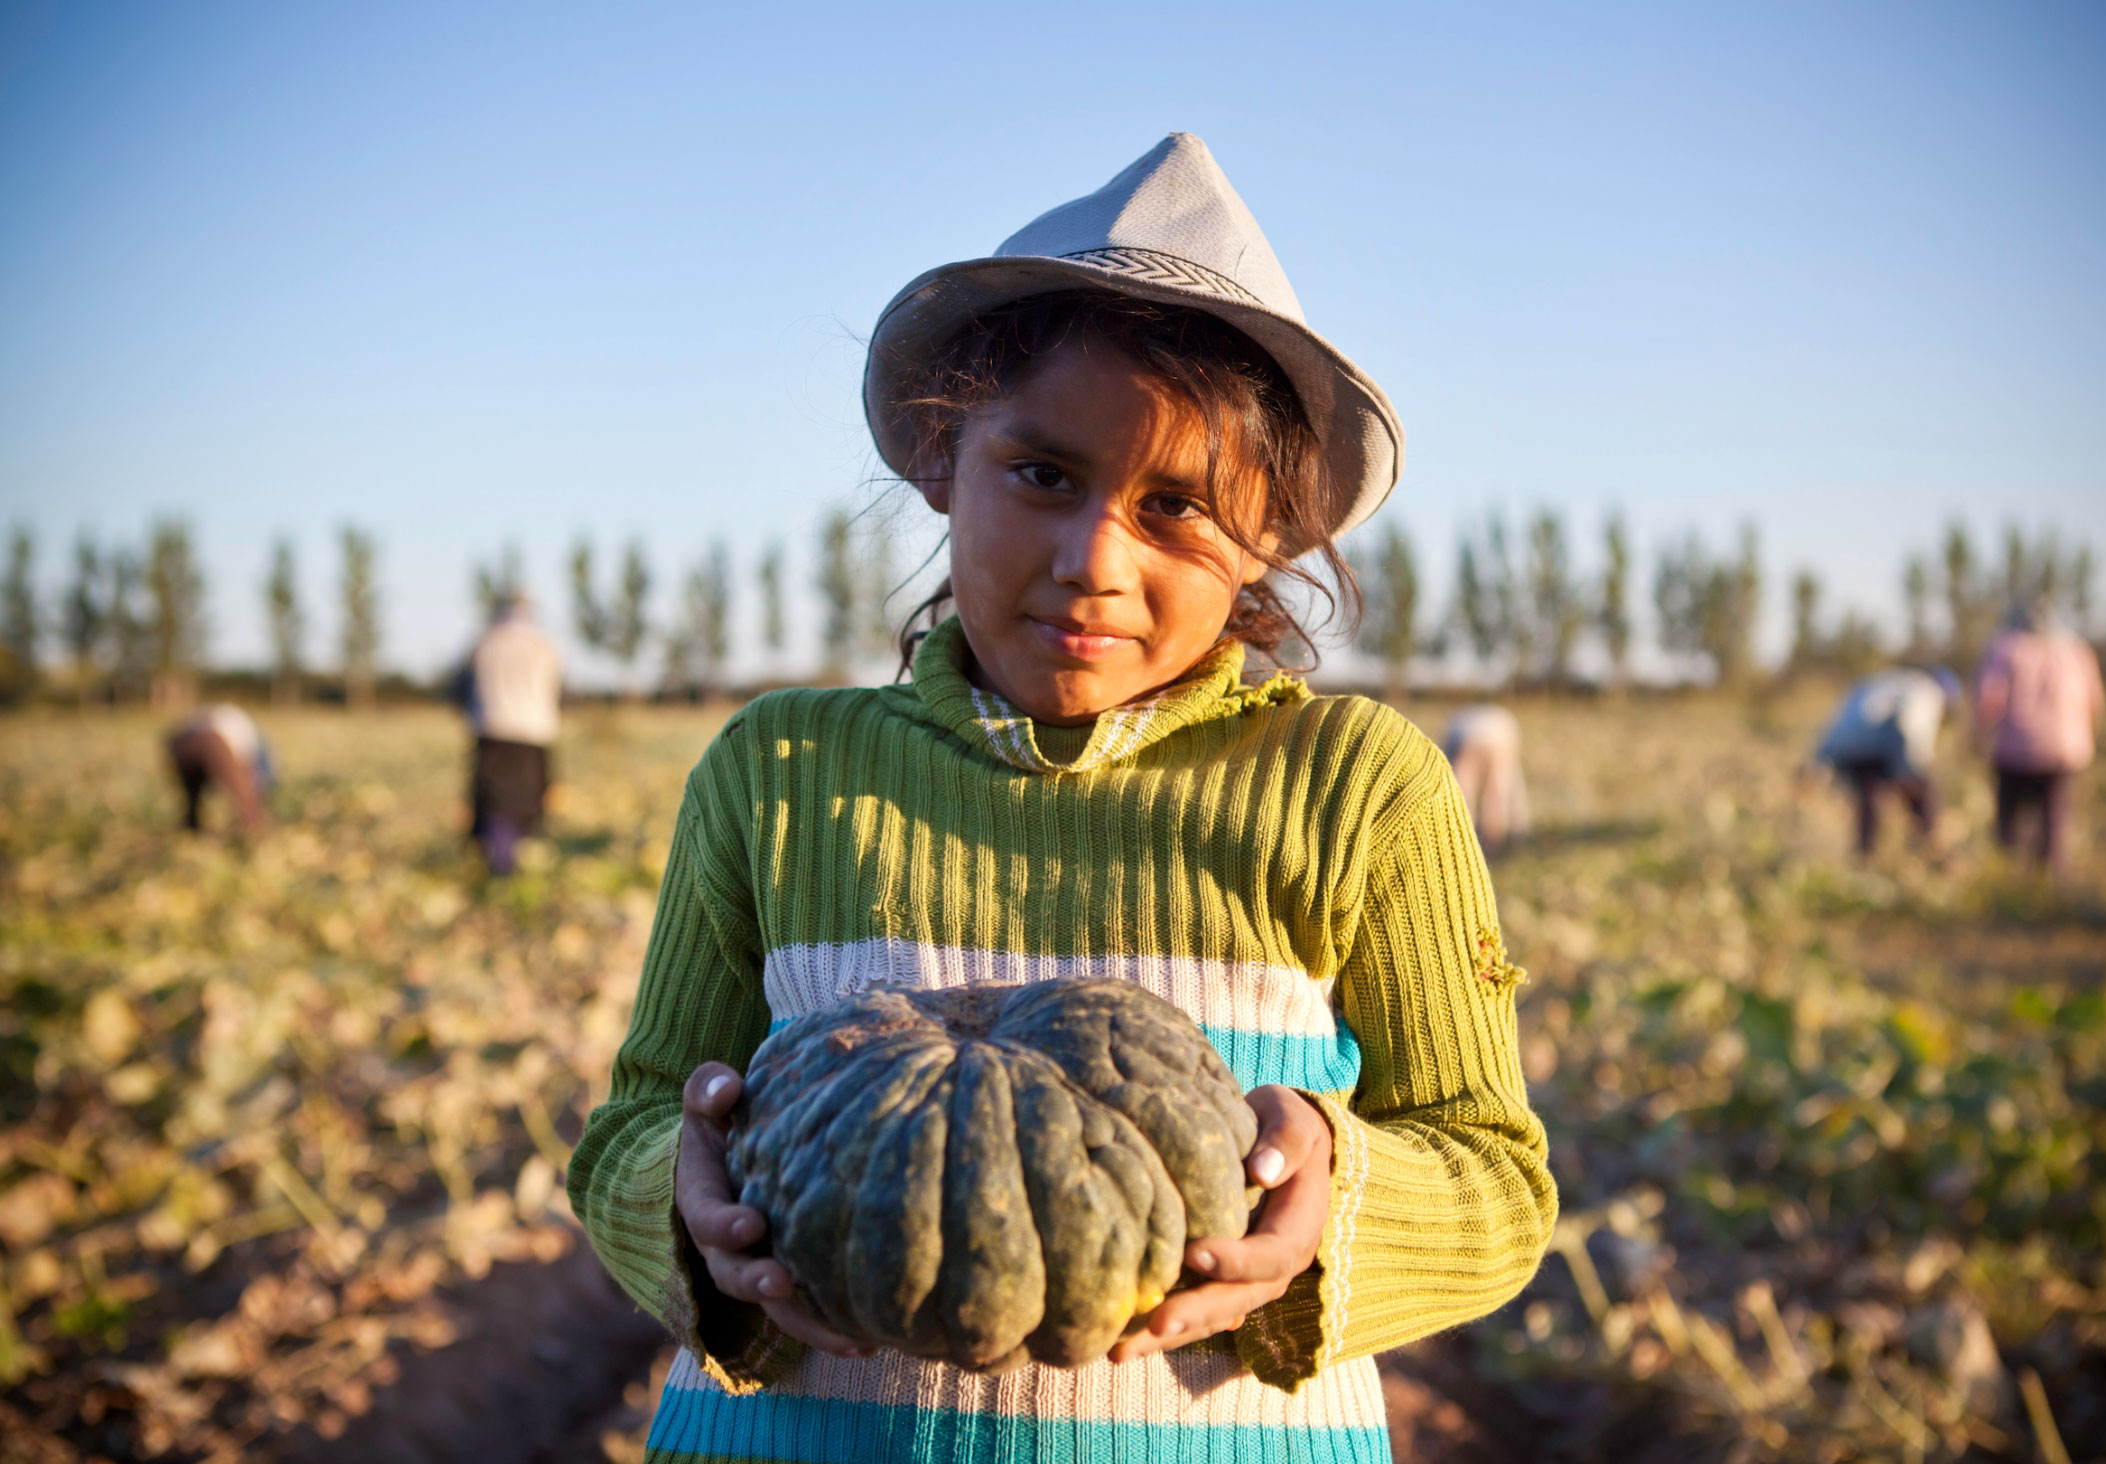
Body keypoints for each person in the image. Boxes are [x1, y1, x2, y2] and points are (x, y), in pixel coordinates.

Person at [569, 135, 1555, 1464]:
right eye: (1044, 476)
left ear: (1269, 537)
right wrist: (676, 1204)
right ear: (940, 458)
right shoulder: (780, 775)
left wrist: (1338, 1200)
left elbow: (1492, 1174)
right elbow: (638, 1118)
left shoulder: (1356, 789)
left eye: (1175, 509)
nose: (1095, 560)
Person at [1975, 597, 2103, 879]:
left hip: (2015, 749)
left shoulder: (2006, 648)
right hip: (2066, 750)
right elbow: (2095, 701)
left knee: (2009, 818)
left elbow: (1990, 700)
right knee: (2054, 819)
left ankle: (2007, 878)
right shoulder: (2078, 650)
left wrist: (1978, 737)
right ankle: (2051, 881)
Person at [453, 593, 562, 875]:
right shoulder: (543, 645)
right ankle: (514, 865)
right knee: (526, 801)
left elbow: (461, 688)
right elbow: (556, 690)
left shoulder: (485, 643)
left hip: (492, 731)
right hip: (534, 734)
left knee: (495, 801)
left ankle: (500, 863)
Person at [1814, 666, 1961, 856]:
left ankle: (1865, 854)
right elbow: (1910, 726)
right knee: (1923, 789)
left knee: (1869, 801)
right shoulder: (1927, 692)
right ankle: (1929, 849)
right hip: (1877, 748)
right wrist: (1909, 769)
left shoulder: (1882, 683)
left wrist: (1818, 760)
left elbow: (1839, 722)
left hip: (1852, 751)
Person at [166, 703, 273, 834]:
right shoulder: (261, 760)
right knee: (250, 810)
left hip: (182, 740)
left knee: (193, 798)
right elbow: (254, 777)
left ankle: (192, 823)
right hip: (215, 739)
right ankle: (252, 830)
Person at [1443, 704, 1531, 852]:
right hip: (1501, 734)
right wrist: (1520, 827)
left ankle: (1460, 845)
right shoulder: (1505, 719)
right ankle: (1494, 846)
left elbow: (1447, 774)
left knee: (1462, 797)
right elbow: (1515, 784)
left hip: (1465, 737)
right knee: (1497, 795)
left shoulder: (1455, 721)